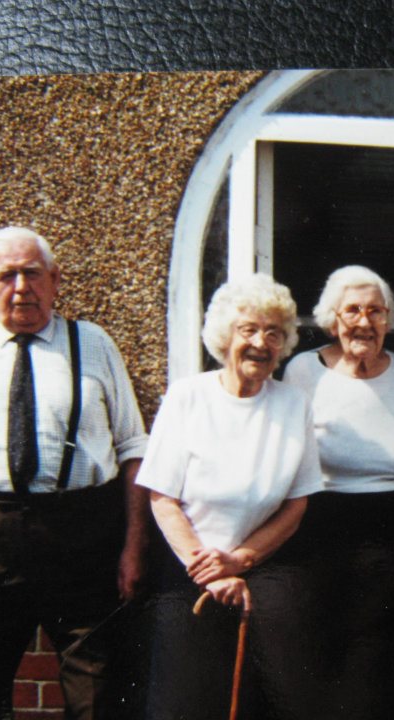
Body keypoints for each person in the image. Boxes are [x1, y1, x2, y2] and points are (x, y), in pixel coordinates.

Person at [0, 226, 149, 719]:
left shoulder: (93, 343)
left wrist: (133, 546)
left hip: (85, 537)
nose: (21, 287)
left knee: (98, 693)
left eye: (32, 274)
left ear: (55, 280)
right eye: (7, 276)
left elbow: (133, 448)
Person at [136, 273, 322, 720]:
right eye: (249, 330)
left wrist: (239, 561)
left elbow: (297, 505)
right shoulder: (187, 397)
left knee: (278, 681)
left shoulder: (293, 405)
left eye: (274, 333)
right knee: (186, 695)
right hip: (188, 565)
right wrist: (209, 569)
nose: (261, 342)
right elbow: (162, 497)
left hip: (261, 562)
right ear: (225, 337)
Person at [282, 265, 394, 720]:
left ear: (388, 320)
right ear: (332, 319)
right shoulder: (302, 371)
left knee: (388, 646)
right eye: (352, 310)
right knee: (325, 639)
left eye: (376, 311)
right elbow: (282, 447)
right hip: (322, 521)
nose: (364, 321)